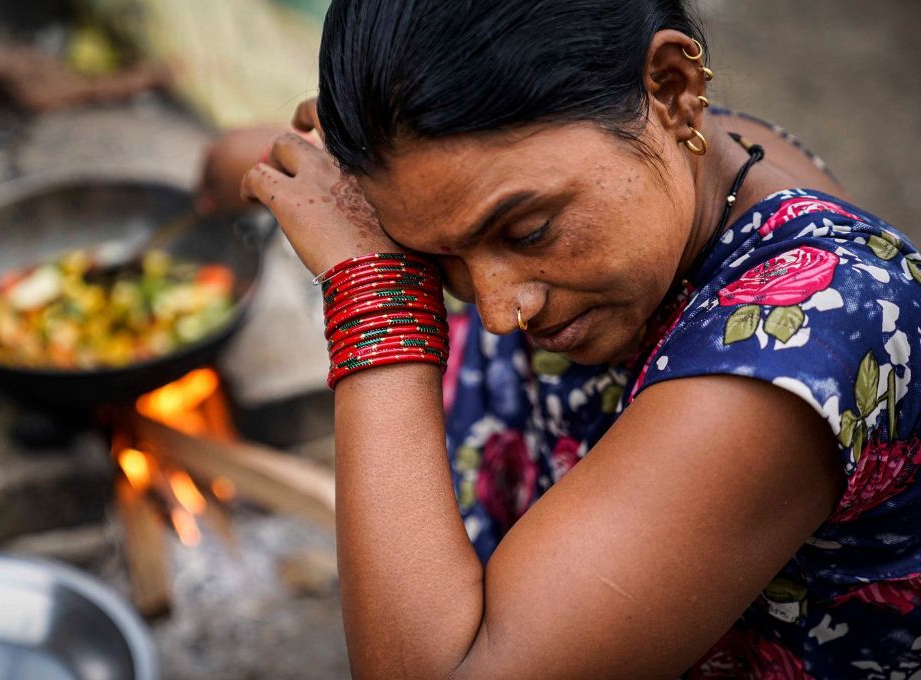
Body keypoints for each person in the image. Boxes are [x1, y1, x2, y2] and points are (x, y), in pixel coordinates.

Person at [221, 1, 921, 677]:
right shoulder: (683, 155)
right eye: (434, 258)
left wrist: (376, 291)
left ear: (672, 88)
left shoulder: (790, 356)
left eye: (527, 231)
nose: (499, 310)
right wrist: (239, 165)